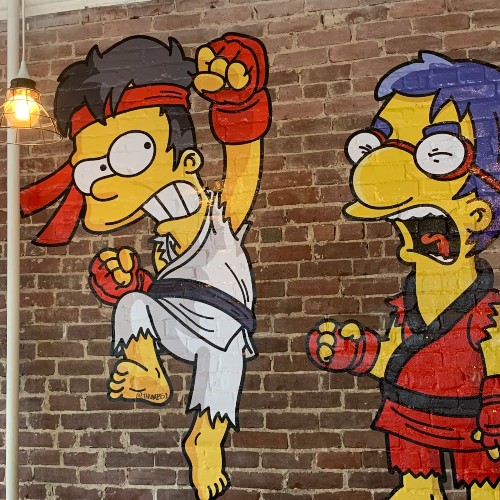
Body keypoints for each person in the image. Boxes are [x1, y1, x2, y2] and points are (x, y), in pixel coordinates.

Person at [21, 34, 271, 500]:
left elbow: (242, 169)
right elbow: (166, 283)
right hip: (177, 317)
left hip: (224, 322)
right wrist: (129, 281)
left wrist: (237, 104)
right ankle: (144, 366)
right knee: (133, 303)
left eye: (127, 152)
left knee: (224, 359)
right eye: (89, 165)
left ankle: (205, 440)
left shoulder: (213, 214)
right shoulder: (163, 234)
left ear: (188, 160)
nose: (101, 178)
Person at [307, 52, 500, 499]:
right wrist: (358, 354)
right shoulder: (407, 303)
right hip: (407, 416)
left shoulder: (487, 312)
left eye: (437, 153)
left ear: (477, 212)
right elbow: (396, 355)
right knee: (415, 486)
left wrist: (493, 406)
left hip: (469, 422)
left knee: (484, 487)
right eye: (374, 144)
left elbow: (494, 361)